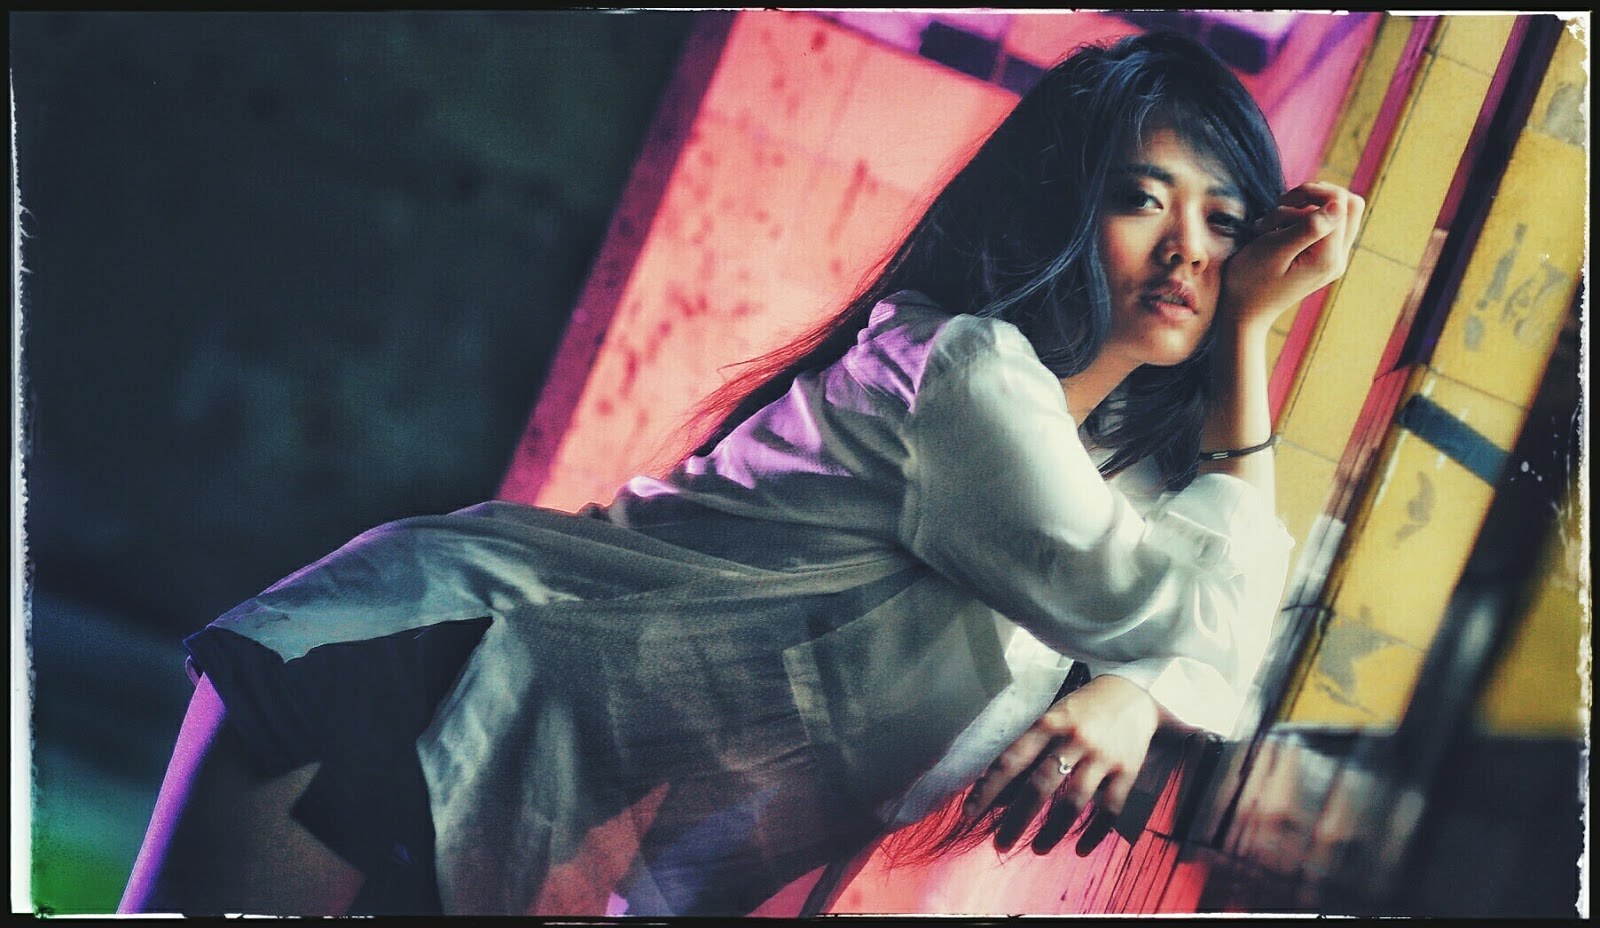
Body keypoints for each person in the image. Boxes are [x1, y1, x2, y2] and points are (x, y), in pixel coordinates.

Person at [118, 29, 1362, 917]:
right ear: (1066, 211)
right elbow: (1196, 609)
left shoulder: (1106, 493)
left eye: (1225, 221)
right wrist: (1250, 339)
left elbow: (1212, 623)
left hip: (523, 806)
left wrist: (1136, 694)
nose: (1190, 252)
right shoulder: (967, 378)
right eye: (1144, 201)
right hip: (417, 677)